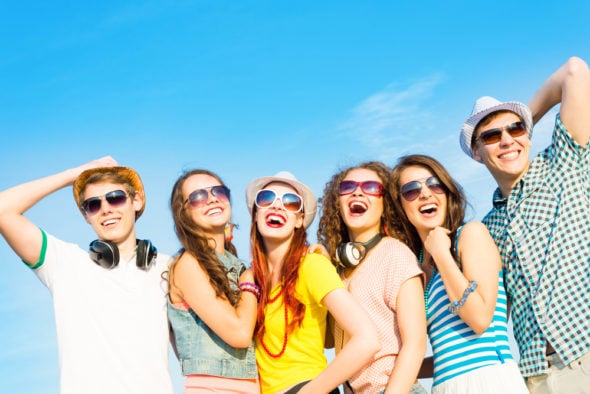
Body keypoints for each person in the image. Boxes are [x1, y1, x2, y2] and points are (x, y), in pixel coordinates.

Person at [460, 56, 590, 393]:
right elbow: (485, 310)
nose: (506, 140)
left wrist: (524, 119)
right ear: (476, 152)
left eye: (514, 129)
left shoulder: (564, 165)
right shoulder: (487, 230)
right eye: (490, 136)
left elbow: (575, 70)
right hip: (536, 376)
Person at [0, 157, 173, 394]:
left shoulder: (170, 268)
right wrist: (76, 173)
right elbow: (3, 208)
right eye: (93, 204)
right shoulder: (65, 263)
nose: (106, 209)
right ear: (86, 215)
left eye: (116, 197)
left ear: (136, 200)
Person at [389, 154, 528, 393]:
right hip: (445, 386)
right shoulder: (419, 269)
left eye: (434, 184)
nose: (425, 193)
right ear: (400, 206)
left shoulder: (471, 235)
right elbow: (448, 353)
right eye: (411, 190)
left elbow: (480, 319)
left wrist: (442, 255)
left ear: (447, 192)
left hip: (489, 380)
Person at [246, 171, 379, 394]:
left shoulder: (311, 265)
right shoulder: (250, 282)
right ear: (256, 213)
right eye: (267, 198)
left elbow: (368, 339)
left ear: (299, 220)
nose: (277, 207)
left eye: (290, 203)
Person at [317, 161, 427, 394]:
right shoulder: (339, 269)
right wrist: (321, 271)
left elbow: (415, 344)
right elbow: (328, 341)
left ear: (385, 203)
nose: (358, 191)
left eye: (370, 187)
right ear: (337, 202)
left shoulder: (396, 254)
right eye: (348, 187)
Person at [167, 169, 260, 393]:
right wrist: (249, 283)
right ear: (184, 213)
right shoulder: (189, 263)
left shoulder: (234, 265)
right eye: (198, 197)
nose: (211, 199)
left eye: (218, 191)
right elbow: (238, 334)